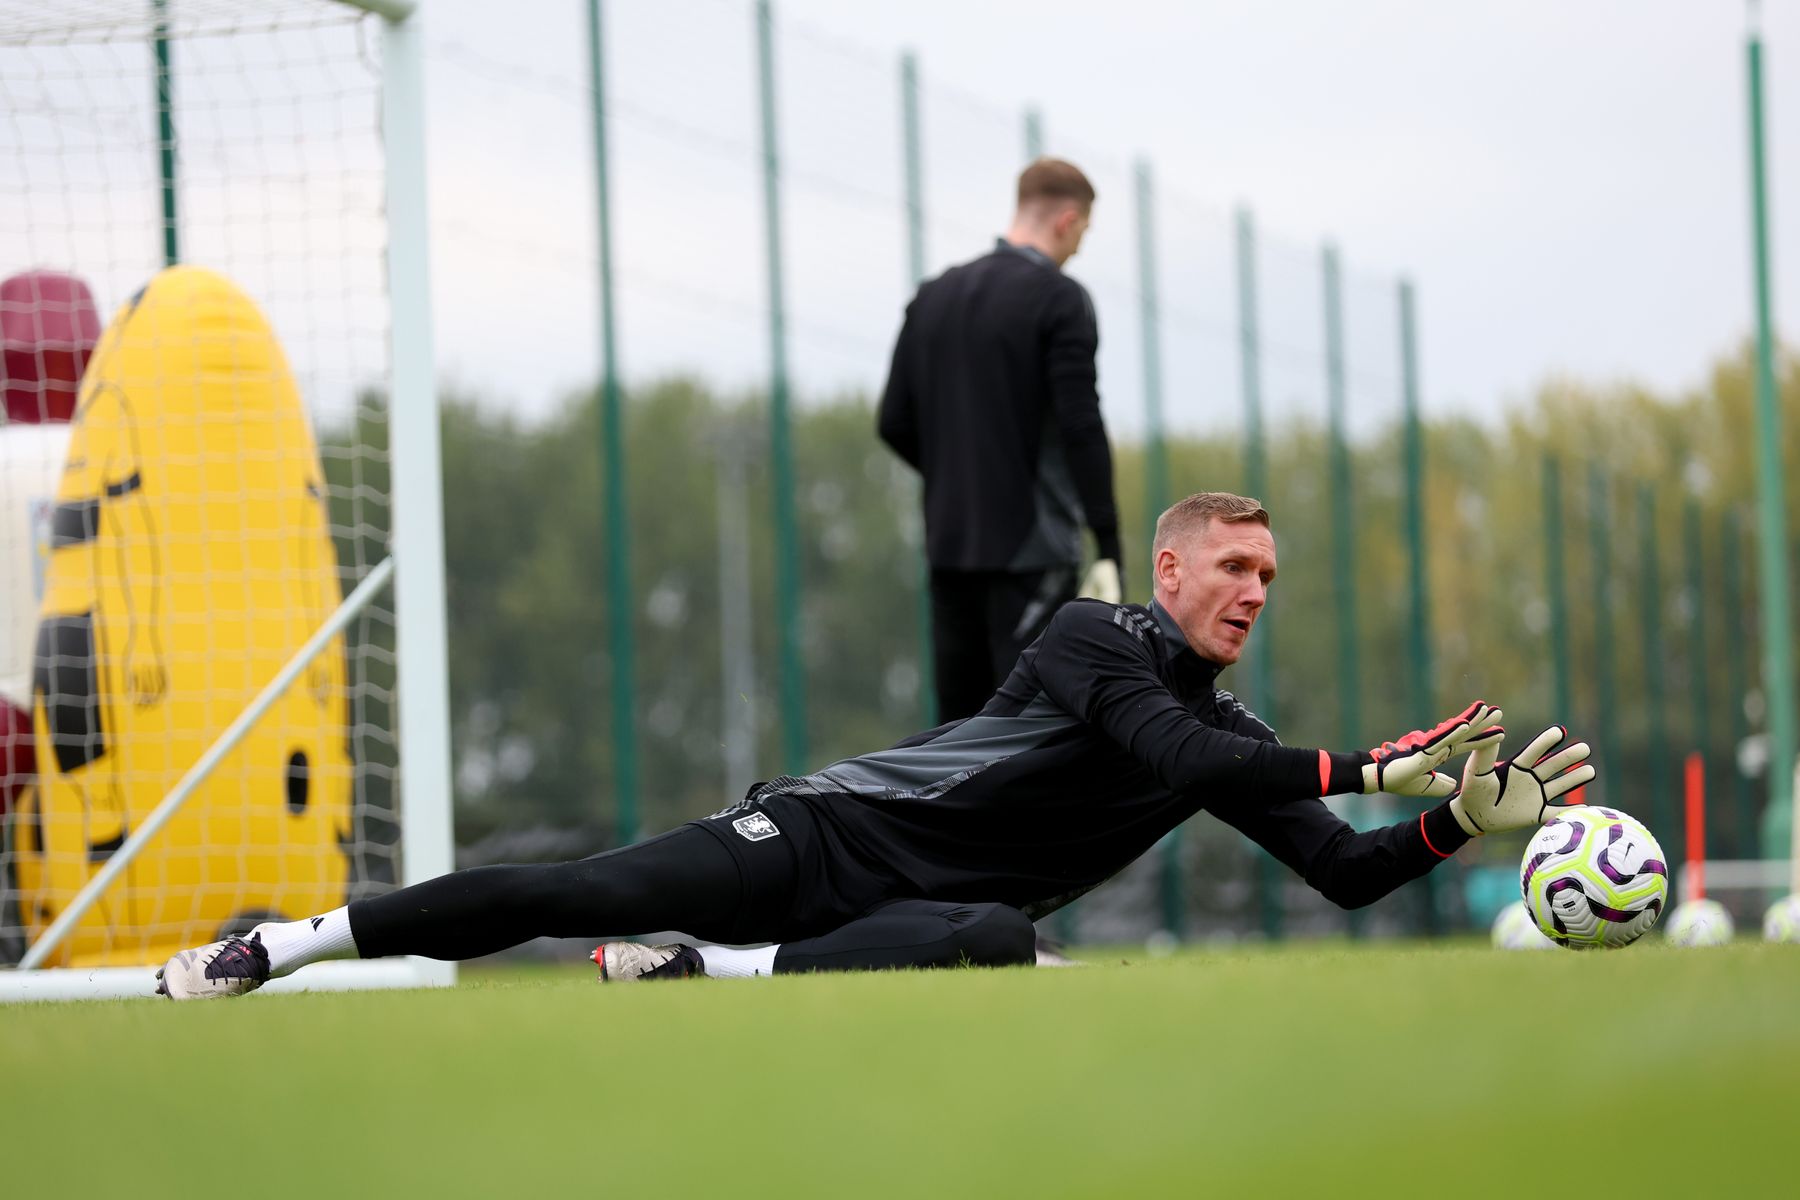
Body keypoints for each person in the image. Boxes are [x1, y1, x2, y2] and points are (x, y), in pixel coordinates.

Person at [156, 492, 1594, 998]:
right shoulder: (1095, 637)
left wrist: (1455, 824)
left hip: (918, 911)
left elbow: (1342, 877)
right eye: (1232, 567)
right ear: (1167, 572)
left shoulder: (1243, 730)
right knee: (578, 892)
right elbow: (1188, 762)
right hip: (824, 837)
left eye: (1268, 579)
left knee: (997, 943)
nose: (1251, 593)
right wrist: (1369, 765)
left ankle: (707, 976)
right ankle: (281, 947)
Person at [879, 157, 1123, 724]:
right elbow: (1081, 426)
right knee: (1031, 734)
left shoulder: (931, 298)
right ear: (1067, 220)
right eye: (1083, 233)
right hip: (1031, 554)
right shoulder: (1059, 298)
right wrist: (1108, 544)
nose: (1079, 249)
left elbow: (894, 421)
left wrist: (955, 476)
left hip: (949, 548)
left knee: (957, 742)